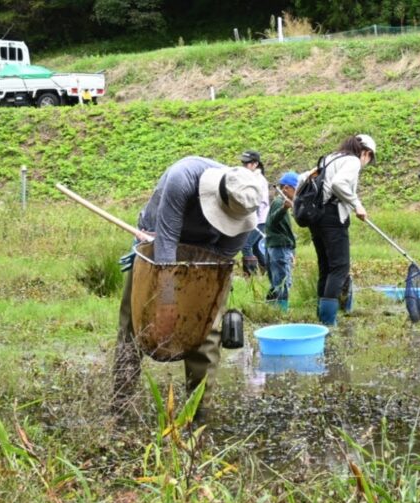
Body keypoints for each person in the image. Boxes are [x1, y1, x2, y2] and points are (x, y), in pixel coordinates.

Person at [113, 157, 267, 409]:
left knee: (206, 330)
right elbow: (166, 244)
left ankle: (198, 414)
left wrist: (198, 302)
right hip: (158, 239)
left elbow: (219, 262)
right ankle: (120, 405)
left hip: (205, 250)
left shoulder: (245, 204)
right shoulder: (183, 178)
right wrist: (167, 303)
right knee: (135, 325)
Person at [307, 134, 376, 326]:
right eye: (370, 158)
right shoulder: (352, 161)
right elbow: (339, 184)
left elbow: (305, 177)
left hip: (316, 216)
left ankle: (321, 318)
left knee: (326, 267)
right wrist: (356, 205)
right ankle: (329, 321)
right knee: (339, 268)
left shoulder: (330, 158)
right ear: (366, 153)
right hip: (333, 217)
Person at [265, 171, 299, 311]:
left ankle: (271, 309)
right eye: (296, 189)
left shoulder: (281, 203)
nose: (297, 193)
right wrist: (284, 208)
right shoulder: (279, 203)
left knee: (277, 280)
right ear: (286, 188)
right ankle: (281, 311)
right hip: (279, 248)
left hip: (279, 247)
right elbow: (272, 221)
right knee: (283, 281)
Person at [239, 150, 268, 275]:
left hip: (259, 219)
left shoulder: (258, 180)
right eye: (243, 163)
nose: (245, 166)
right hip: (255, 218)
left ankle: (251, 275)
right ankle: (268, 271)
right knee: (256, 247)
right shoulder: (249, 177)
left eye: (248, 163)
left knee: (245, 246)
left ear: (255, 164)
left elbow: (258, 202)